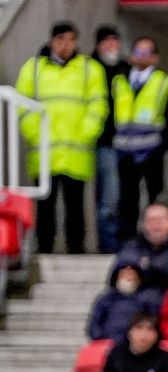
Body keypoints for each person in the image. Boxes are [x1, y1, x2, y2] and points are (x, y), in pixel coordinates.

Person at [17, 22, 108, 256]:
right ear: (51, 41)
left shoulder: (90, 68)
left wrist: (86, 132)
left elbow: (98, 105)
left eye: (70, 39)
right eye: (60, 39)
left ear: (76, 41)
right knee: (45, 206)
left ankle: (76, 248)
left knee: (75, 205)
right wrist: (35, 133)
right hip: (43, 150)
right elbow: (22, 104)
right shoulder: (34, 68)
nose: (65, 45)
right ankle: (44, 248)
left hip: (76, 151)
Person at [112, 36, 168, 242]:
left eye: (146, 52)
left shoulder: (163, 81)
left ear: (155, 58)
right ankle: (128, 242)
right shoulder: (119, 81)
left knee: (155, 198)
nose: (141, 57)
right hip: (125, 149)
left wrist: (163, 145)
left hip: (151, 149)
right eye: (138, 52)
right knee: (127, 200)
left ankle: (155, 240)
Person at [93, 25, 129, 255]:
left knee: (123, 198)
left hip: (128, 142)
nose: (111, 45)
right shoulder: (89, 67)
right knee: (109, 199)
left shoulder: (125, 69)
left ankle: (122, 242)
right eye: (107, 41)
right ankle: (108, 245)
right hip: (104, 141)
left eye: (115, 40)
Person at [115, 203, 168, 294]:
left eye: (161, 219)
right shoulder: (132, 248)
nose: (157, 224)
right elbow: (124, 274)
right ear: (143, 224)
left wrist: (147, 270)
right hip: (139, 300)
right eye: (151, 220)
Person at [88, 262, 162, 342]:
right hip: (108, 343)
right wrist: (101, 338)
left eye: (131, 274)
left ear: (138, 278)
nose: (127, 277)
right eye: (123, 274)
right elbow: (94, 325)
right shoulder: (106, 299)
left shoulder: (148, 299)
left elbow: (153, 323)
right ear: (116, 277)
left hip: (138, 345)